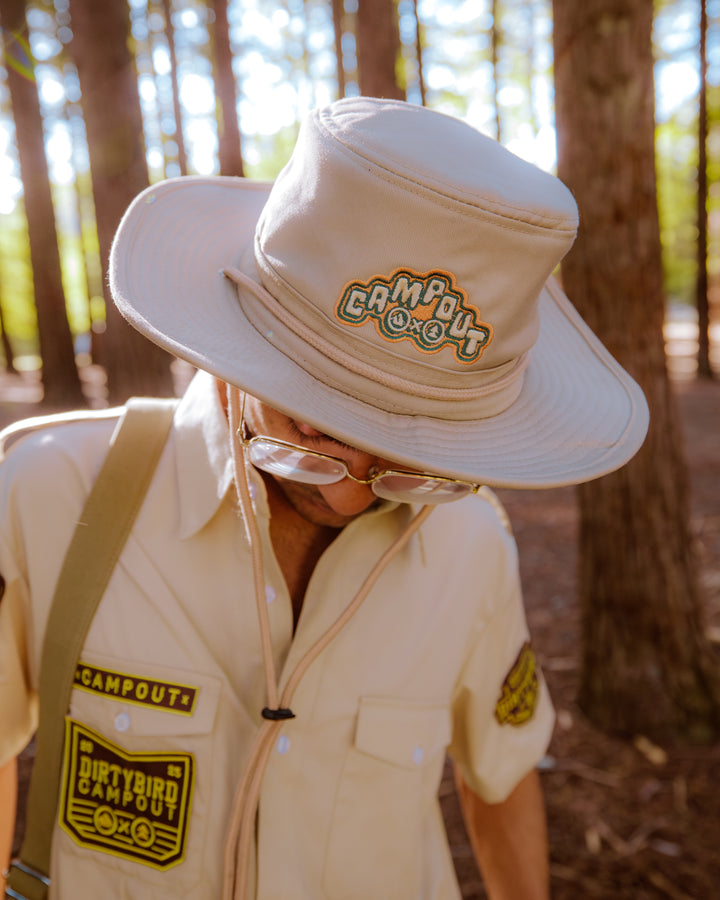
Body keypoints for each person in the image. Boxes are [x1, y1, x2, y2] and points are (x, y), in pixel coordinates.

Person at [0, 97, 648, 900]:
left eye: (410, 453)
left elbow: (503, 775)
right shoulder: (50, 492)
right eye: (313, 428)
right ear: (247, 348)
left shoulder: (472, 543)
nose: (349, 489)